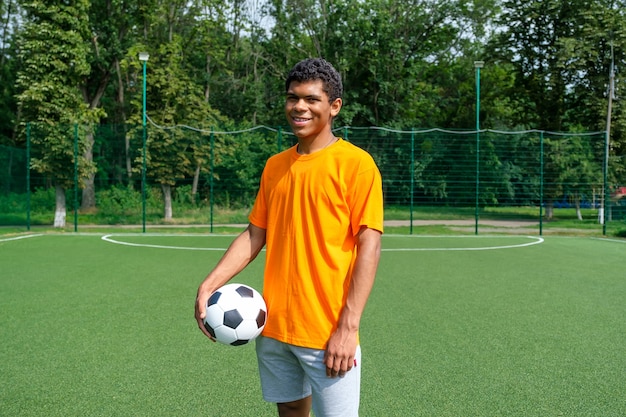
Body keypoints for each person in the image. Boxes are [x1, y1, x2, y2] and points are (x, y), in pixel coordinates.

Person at [195, 57, 384, 417]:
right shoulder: (275, 166)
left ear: (334, 106)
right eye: (292, 97)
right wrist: (210, 284)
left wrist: (348, 326)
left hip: (328, 332)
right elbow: (255, 233)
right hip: (274, 326)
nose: (299, 106)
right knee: (291, 412)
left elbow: (369, 246)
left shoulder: (356, 165)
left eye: (311, 99)